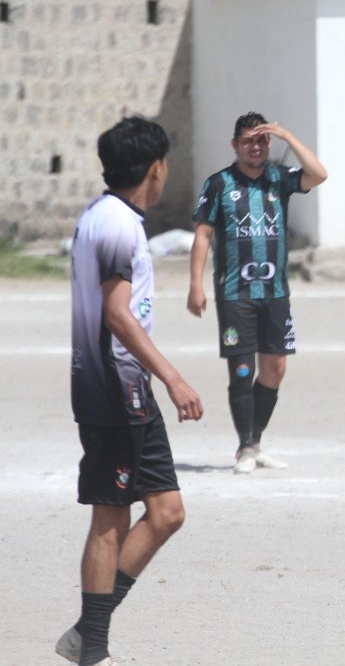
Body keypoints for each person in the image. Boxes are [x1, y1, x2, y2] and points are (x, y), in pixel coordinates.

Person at [58, 116, 205, 666]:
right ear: (157, 167)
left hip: (128, 388)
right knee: (110, 519)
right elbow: (118, 316)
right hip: (110, 390)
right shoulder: (116, 224)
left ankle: (83, 635)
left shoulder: (105, 216)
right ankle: (92, 649)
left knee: (166, 512)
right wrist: (174, 376)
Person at [187, 112, 328, 474]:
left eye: (262, 140)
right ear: (235, 145)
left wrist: (287, 135)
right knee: (241, 369)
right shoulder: (218, 184)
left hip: (275, 292)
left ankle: (257, 440)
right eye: (249, 141)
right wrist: (195, 285)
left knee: (275, 368)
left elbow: (319, 174)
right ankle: (245, 447)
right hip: (235, 292)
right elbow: (203, 235)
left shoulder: (279, 179)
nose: (256, 147)